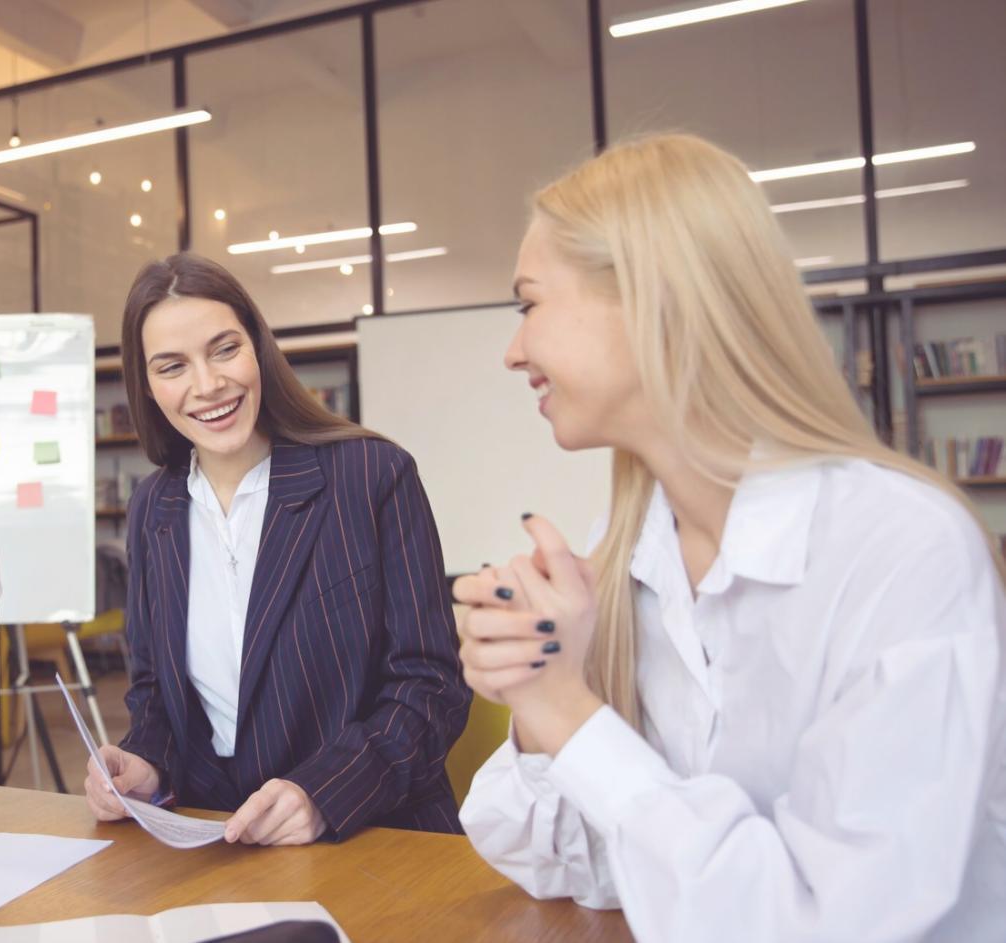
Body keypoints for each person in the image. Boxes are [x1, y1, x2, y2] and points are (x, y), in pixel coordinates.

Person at [455, 133, 1006, 941]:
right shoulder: (629, 543)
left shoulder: (902, 549)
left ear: (649, 296)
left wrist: (570, 710)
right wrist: (539, 691)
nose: (513, 352)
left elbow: (827, 921)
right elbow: (589, 873)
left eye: (528, 305)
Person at [83, 253, 470, 844]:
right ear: (148, 386)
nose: (207, 385)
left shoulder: (370, 476)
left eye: (224, 349)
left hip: (374, 836)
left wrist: (324, 792)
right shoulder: (152, 508)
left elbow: (431, 686)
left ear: (258, 348)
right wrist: (147, 764)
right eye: (172, 366)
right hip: (221, 842)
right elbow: (155, 692)